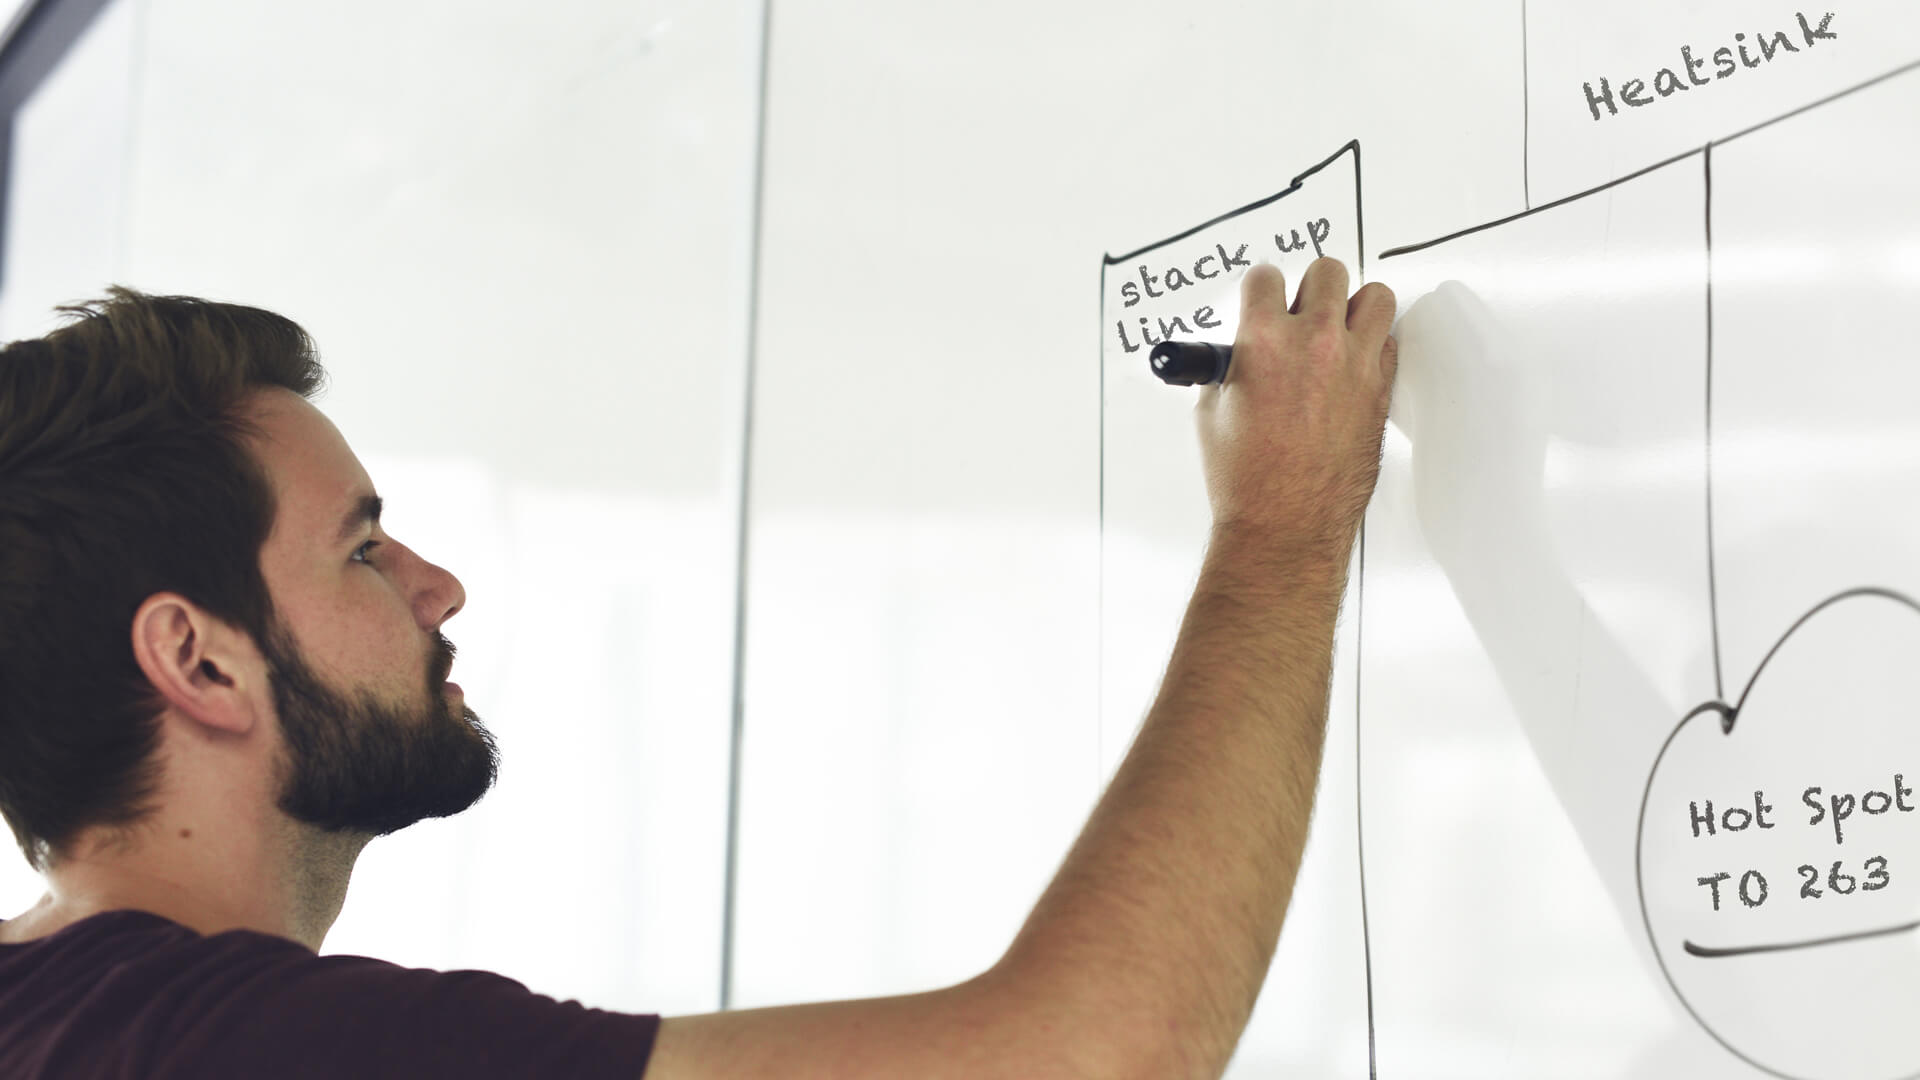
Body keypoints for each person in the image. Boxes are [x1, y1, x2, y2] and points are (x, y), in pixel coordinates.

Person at [0, 257, 1396, 1078]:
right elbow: (1087, 1057)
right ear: (197, 659)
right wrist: (1280, 525)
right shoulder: (239, 1048)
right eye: (361, 552)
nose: (436, 587)